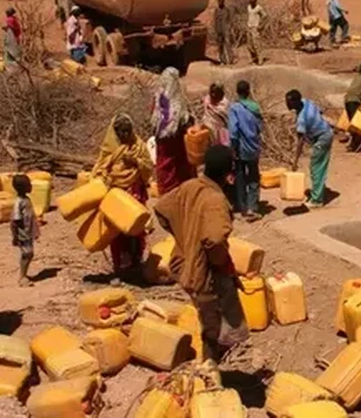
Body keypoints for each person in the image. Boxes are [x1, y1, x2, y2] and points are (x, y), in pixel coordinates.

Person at [153, 145, 249, 362]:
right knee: (213, 327)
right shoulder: (216, 200)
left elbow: (162, 209)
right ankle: (209, 368)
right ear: (228, 174)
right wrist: (219, 263)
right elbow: (214, 240)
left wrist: (185, 238)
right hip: (205, 274)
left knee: (208, 318)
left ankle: (211, 363)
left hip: (183, 264)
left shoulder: (190, 186)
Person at [92, 114, 154, 275]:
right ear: (115, 132)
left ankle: (136, 262)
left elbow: (148, 168)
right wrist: (107, 178)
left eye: (127, 131)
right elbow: (100, 169)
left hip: (134, 193)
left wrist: (135, 162)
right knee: (117, 231)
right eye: (121, 131)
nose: (125, 135)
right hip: (116, 194)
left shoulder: (139, 146)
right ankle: (120, 266)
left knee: (136, 229)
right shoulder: (110, 149)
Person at [152, 68, 197, 195]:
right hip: (177, 142)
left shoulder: (158, 99)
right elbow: (186, 120)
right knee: (180, 167)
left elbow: (153, 120)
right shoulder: (179, 101)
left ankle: (165, 193)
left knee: (164, 165)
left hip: (162, 142)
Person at [287, 90, 334, 209]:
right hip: (326, 132)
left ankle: (317, 200)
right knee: (319, 165)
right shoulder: (307, 102)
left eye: (289, 102)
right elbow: (320, 112)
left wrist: (295, 161)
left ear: (295, 102)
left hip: (322, 138)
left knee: (316, 167)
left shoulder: (302, 119)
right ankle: (319, 191)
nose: (287, 104)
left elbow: (300, 142)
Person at [229, 80, 264, 221]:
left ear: (237, 92)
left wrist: (233, 149)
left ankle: (242, 207)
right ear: (248, 92)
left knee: (240, 176)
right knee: (254, 176)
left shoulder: (234, 108)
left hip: (240, 148)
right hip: (253, 147)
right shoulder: (255, 107)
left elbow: (233, 131)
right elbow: (260, 128)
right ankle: (252, 207)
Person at [11, 174, 40, 286]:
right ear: (23, 187)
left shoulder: (26, 199)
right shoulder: (18, 202)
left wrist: (35, 231)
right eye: (29, 185)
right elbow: (14, 221)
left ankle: (24, 275)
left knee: (29, 254)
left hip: (28, 233)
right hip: (22, 234)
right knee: (27, 254)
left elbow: (29, 217)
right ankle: (22, 277)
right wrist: (15, 237)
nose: (31, 186)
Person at [344, 63, 361, 151]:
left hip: (347, 100)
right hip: (354, 100)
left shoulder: (356, 77)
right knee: (357, 125)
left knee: (352, 124)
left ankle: (352, 144)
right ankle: (355, 145)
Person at [213, 0, 234, 65]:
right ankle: (222, 60)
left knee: (228, 45)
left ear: (223, 2)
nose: (220, 2)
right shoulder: (216, 11)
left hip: (226, 30)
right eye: (219, 1)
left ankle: (230, 60)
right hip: (219, 30)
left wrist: (229, 28)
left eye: (221, 1)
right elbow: (215, 20)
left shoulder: (227, 10)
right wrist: (216, 30)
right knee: (220, 46)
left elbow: (230, 20)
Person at [246, 0, 267, 65]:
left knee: (256, 44)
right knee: (249, 45)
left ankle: (260, 59)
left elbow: (265, 16)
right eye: (250, 2)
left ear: (255, 2)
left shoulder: (259, 8)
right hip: (249, 27)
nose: (251, 3)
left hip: (255, 28)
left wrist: (261, 25)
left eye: (253, 2)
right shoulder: (249, 7)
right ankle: (254, 58)